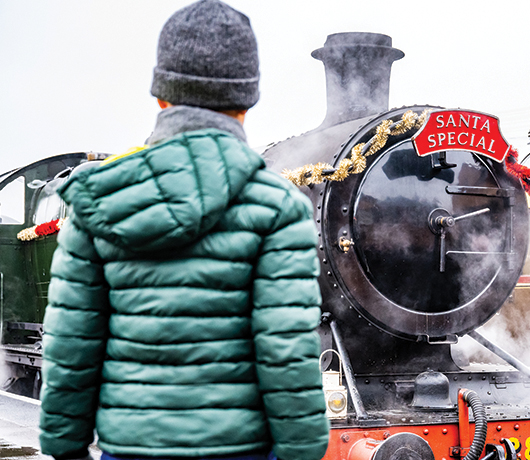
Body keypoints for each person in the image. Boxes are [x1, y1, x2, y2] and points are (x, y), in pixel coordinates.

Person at [38, 2, 329, 460]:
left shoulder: (96, 200)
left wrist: (64, 447)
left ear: (161, 95)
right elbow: (286, 352)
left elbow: (71, 344)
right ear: (247, 98)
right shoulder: (280, 207)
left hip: (130, 448)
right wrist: (303, 452)